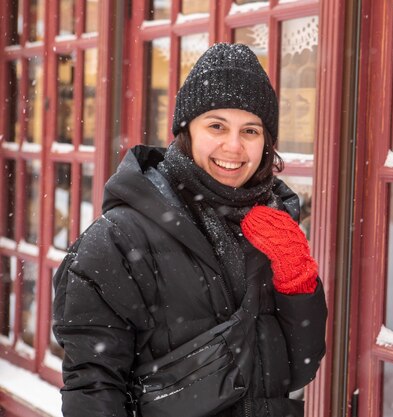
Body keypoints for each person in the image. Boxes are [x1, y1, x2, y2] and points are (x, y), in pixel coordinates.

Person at [52, 43, 327, 417]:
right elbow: (94, 388)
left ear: (266, 143)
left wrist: (296, 283)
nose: (234, 146)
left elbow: (299, 370)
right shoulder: (120, 238)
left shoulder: (272, 229)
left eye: (250, 130)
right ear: (187, 131)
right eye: (217, 126)